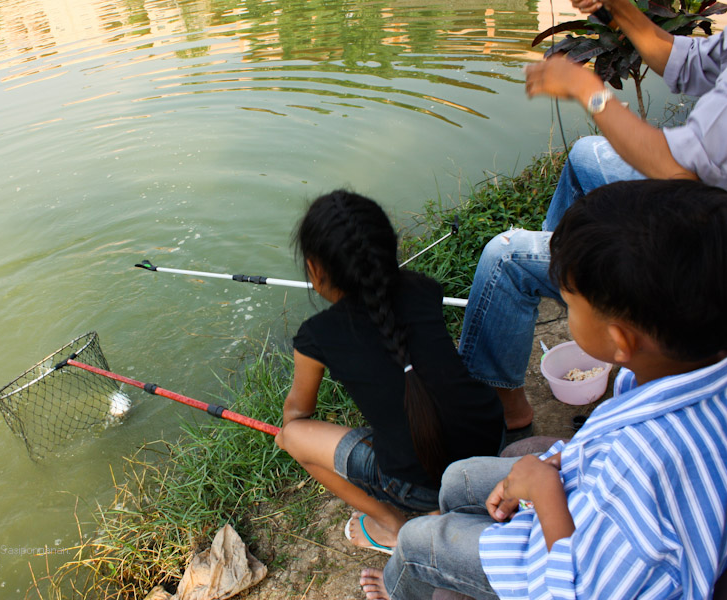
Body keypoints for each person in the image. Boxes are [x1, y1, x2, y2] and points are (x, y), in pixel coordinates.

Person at [360, 178, 727, 599]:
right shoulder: (680, 371)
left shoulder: (644, 461)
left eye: (571, 306)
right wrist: (555, 464)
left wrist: (547, 493)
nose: (567, 312)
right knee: (458, 479)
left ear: (621, 340)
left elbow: (578, 590)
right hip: (588, 507)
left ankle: (405, 587)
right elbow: (602, 455)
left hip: (564, 562)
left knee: (415, 544)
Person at [460, 0, 727, 433]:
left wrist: (590, 90)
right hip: (702, 206)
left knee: (504, 258)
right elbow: (691, 62)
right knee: (587, 155)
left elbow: (680, 176)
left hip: (704, 243)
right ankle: (570, 286)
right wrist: (619, 7)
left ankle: (508, 408)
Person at [275, 190, 504, 554]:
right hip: (490, 441)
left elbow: (298, 413)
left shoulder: (315, 336)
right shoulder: (425, 289)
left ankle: (393, 527)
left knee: (293, 436)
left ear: (315, 270)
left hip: (421, 486)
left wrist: (287, 430)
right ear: (390, 247)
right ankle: (449, 500)